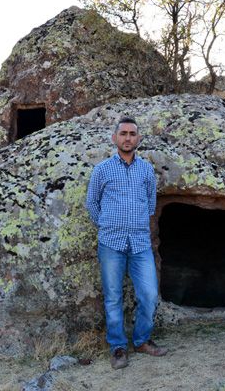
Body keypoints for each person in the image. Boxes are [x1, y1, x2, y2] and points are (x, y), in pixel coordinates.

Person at [85, 117, 167, 369]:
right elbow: (92, 204)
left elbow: (151, 204)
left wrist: (135, 224)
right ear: (115, 138)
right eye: (123, 133)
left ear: (138, 139)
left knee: (149, 294)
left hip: (140, 243)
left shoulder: (146, 170)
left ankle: (142, 340)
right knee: (112, 297)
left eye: (132, 134)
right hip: (111, 243)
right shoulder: (102, 170)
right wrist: (108, 225)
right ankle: (118, 347)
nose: (128, 138)